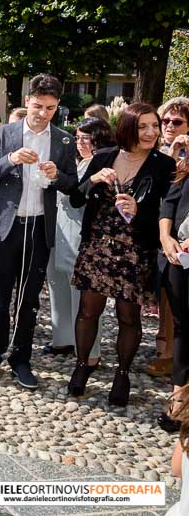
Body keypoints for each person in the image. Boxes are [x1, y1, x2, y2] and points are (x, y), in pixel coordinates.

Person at [0, 75, 79, 389]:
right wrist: (10, 159)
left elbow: (72, 184)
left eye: (49, 108)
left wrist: (56, 175)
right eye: (37, 106)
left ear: (57, 105)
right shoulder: (6, 133)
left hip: (39, 228)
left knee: (30, 299)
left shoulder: (63, 139)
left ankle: (21, 358)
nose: (42, 113)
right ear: (28, 100)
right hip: (7, 227)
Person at [67, 103, 175, 406]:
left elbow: (168, 211)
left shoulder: (163, 165)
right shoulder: (103, 156)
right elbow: (76, 197)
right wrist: (94, 180)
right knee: (88, 310)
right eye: (144, 126)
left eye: (155, 126)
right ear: (128, 127)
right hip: (98, 246)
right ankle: (81, 365)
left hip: (135, 249)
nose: (152, 132)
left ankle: (123, 373)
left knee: (128, 315)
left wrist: (140, 210)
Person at [45, 118, 112, 361]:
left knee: (82, 294)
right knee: (57, 283)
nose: (79, 142)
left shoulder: (102, 161)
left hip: (83, 230)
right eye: (77, 137)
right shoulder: (76, 160)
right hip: (59, 229)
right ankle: (62, 339)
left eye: (85, 137)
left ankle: (89, 349)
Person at [150, 97, 189, 378]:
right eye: (165, 121)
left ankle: (173, 356)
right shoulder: (156, 151)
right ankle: (165, 349)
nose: (169, 126)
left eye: (176, 122)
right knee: (163, 292)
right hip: (160, 230)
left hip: (180, 233)